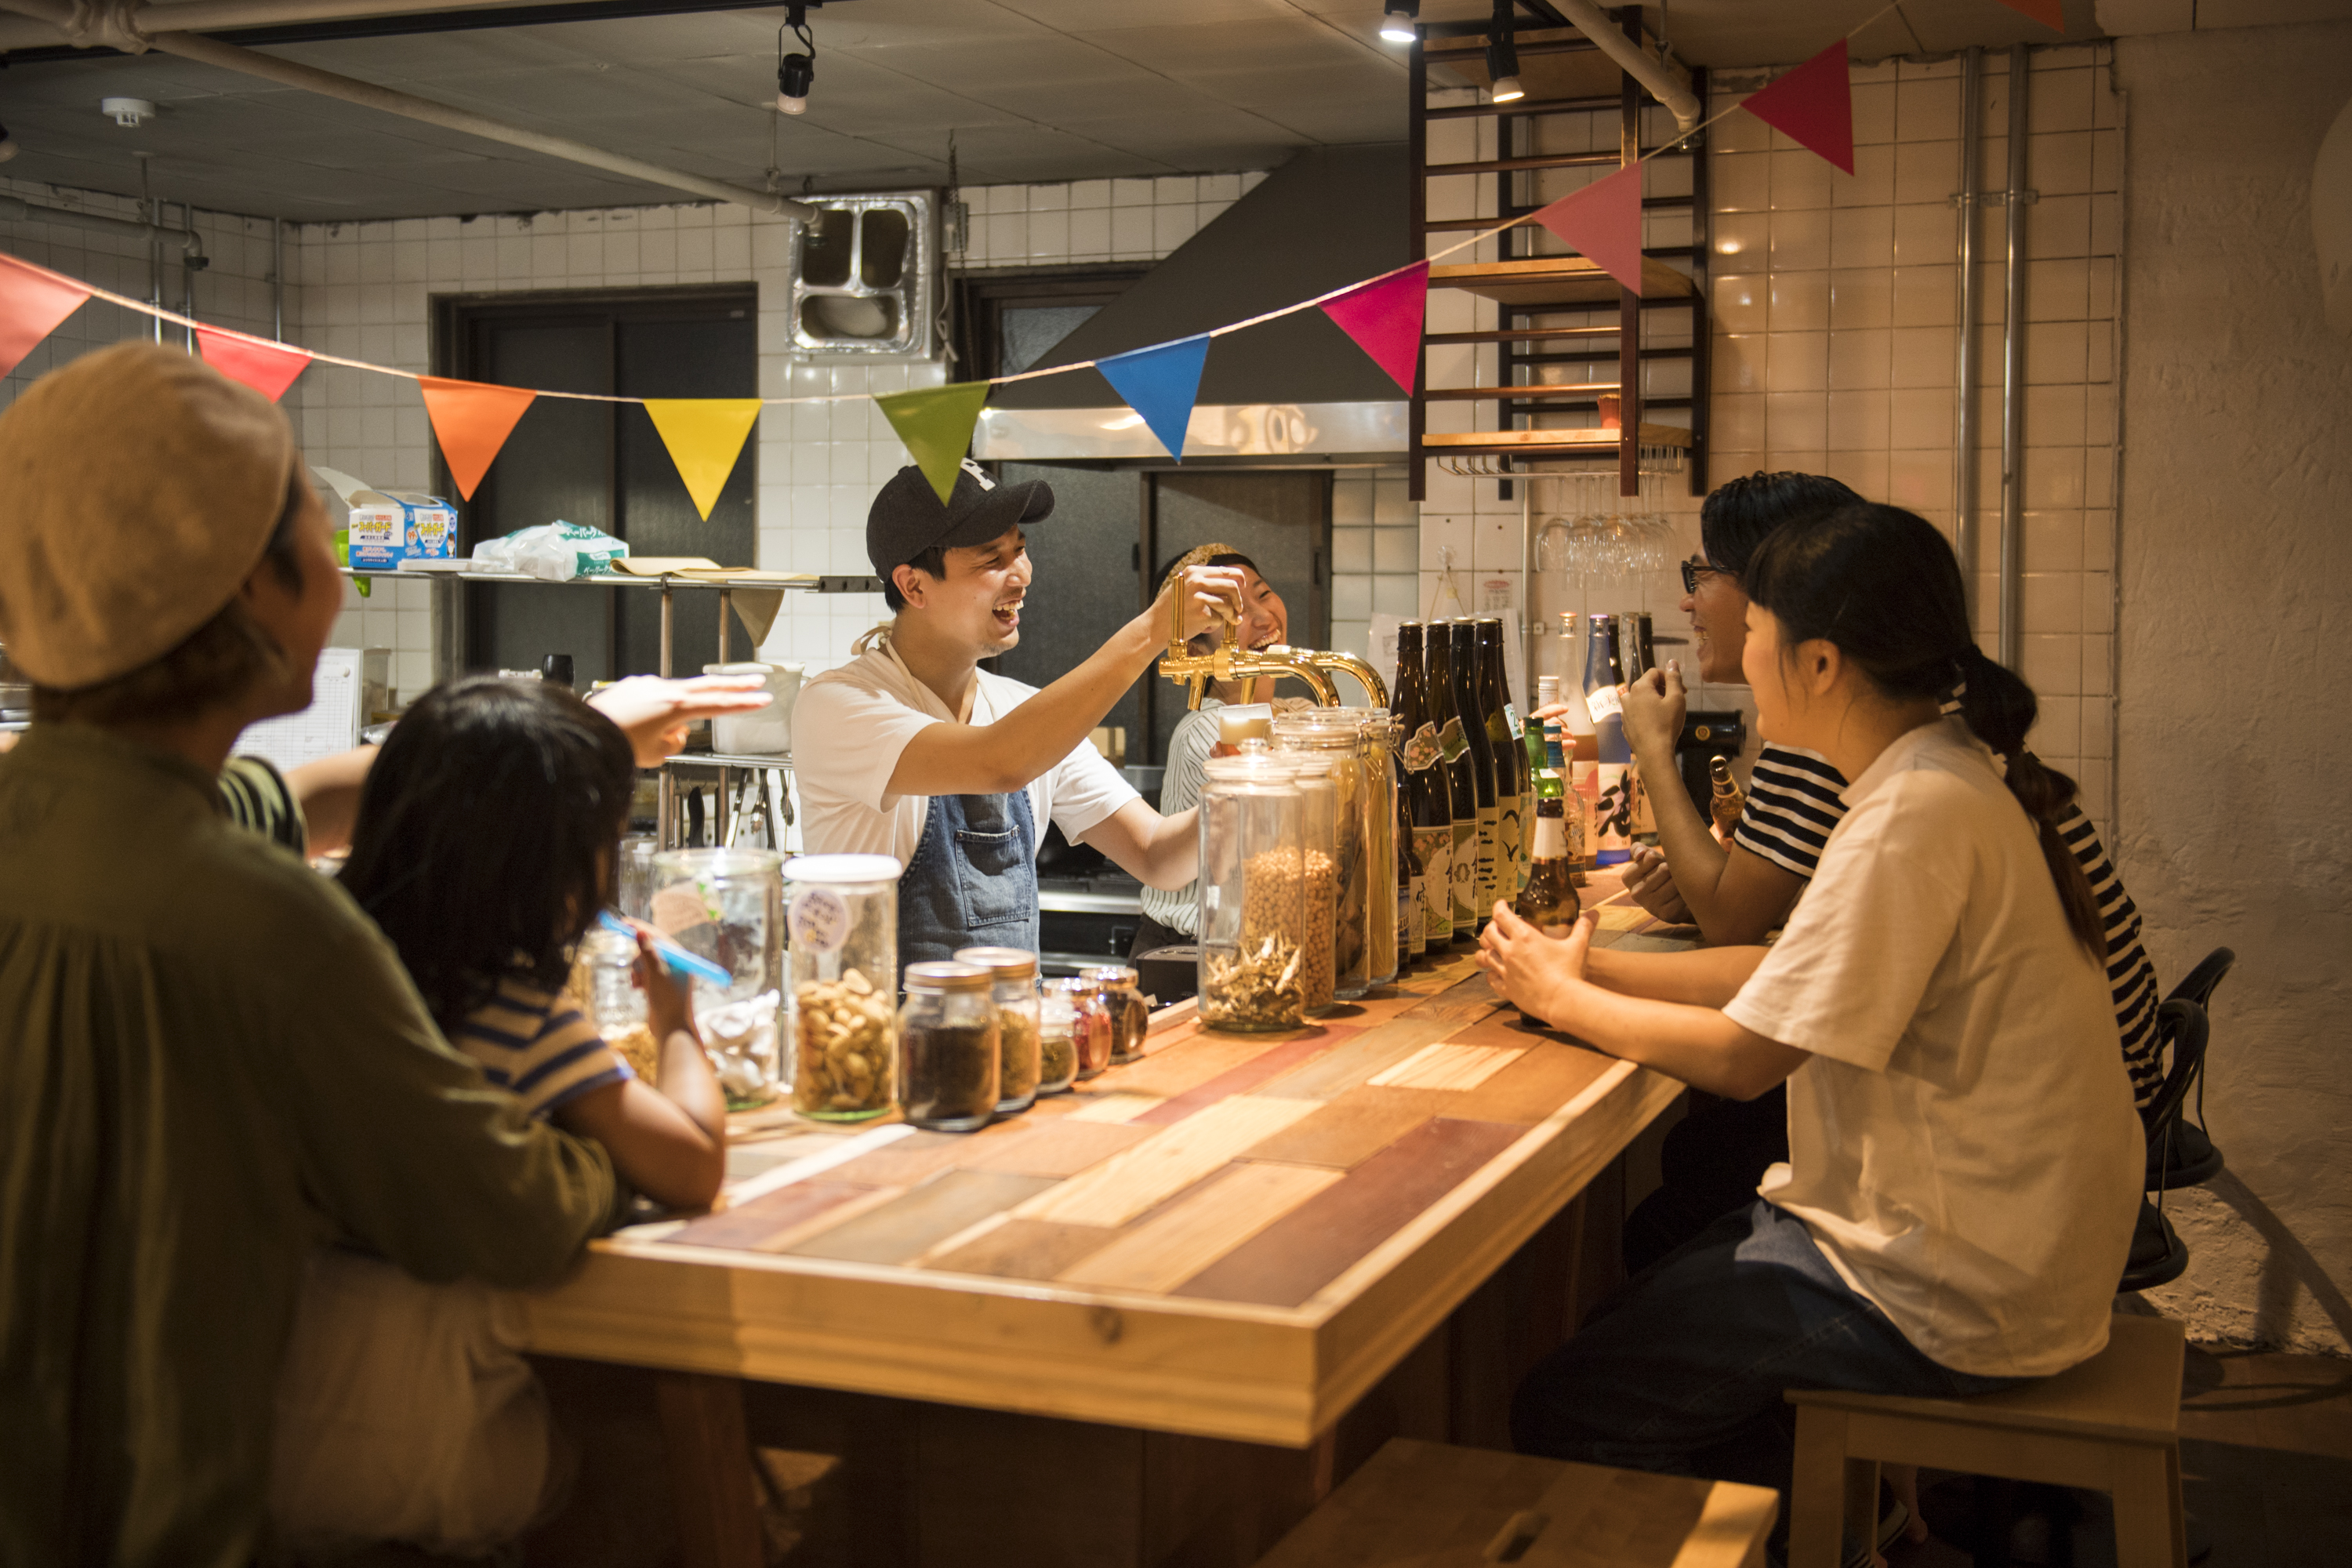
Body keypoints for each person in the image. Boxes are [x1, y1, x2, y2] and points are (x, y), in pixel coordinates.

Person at [0, 343, 628, 1568]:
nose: (341, 564)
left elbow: (289, 798)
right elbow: (503, 1211)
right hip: (143, 1520)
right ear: (249, 590)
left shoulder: (67, 819)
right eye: (315, 527)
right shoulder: (268, 930)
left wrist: (563, 742)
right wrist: (605, 1145)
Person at [1483, 500, 2143, 1530]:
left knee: (1570, 1400)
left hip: (1949, 1289)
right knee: (1638, 1297)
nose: (1740, 657)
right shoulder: (1938, 775)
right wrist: (1589, 968)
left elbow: (1749, 1059)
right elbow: (1788, 975)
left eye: (1754, 634)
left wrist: (1564, 999)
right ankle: (1820, 1532)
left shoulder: (1910, 813)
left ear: (1822, 663)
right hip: (1998, 1255)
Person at [1605, 470, 2164, 1276]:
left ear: (1795, 605)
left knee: (1702, 1166)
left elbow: (1737, 950)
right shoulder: (1932, 733)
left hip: (2015, 1177)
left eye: (1710, 576)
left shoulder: (1874, 757)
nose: (1690, 601)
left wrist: (1651, 749)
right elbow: (1783, 936)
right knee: (1704, 1155)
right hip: (2079, 1115)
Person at [265, 676, 726, 1557]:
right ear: (558, 868)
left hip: (266, 1407)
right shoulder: (513, 1007)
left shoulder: (317, 966)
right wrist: (675, 1023)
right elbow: (693, 1162)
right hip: (426, 1431)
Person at [793, 459, 1244, 968]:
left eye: (1020, 551)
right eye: (992, 560)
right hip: (882, 1038)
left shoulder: (1023, 712)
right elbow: (998, 762)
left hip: (1011, 1034)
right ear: (914, 586)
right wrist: (1153, 630)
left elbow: (1156, 856)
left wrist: (1234, 792)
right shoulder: (838, 705)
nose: (1022, 575)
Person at [1131, 546, 1298, 958]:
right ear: (1198, 647)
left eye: (1264, 593)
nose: (1264, 618)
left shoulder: (1298, 714)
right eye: (1237, 613)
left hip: (1251, 944)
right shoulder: (1209, 728)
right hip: (1191, 954)